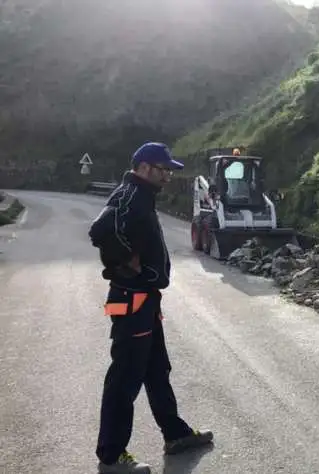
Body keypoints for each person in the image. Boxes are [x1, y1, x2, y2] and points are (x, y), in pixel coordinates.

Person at [88, 142, 213, 473]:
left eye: (170, 170)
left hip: (145, 301)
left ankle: (175, 435)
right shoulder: (130, 195)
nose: (168, 176)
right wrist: (129, 263)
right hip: (131, 301)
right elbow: (100, 230)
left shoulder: (142, 196)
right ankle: (111, 456)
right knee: (125, 377)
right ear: (143, 167)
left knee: (157, 370)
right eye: (163, 169)